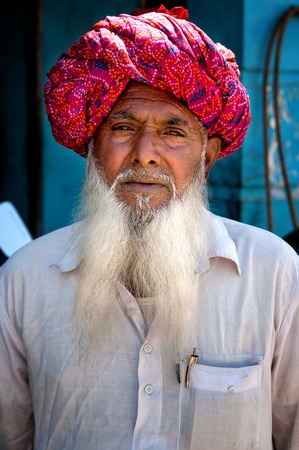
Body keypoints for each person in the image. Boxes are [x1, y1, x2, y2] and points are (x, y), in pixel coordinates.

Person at [0, 5, 298, 449]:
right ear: (91, 147)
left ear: (208, 156)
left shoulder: (274, 273)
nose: (145, 153)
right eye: (123, 126)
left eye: (174, 132)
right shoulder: (23, 280)